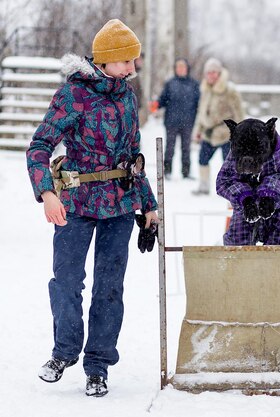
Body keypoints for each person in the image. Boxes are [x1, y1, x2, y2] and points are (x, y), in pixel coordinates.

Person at [25, 19, 158, 398]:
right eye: (125, 61)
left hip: (119, 203)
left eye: (134, 60)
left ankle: (97, 365)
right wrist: (46, 193)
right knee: (67, 281)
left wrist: (149, 206)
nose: (132, 68)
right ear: (105, 60)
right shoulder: (73, 95)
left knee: (109, 288)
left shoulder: (127, 97)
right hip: (76, 203)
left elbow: (134, 158)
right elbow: (39, 148)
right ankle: (63, 352)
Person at [191, 57, 244, 195]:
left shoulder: (230, 90)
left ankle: (231, 188)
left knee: (228, 163)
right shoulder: (205, 90)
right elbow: (201, 113)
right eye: (208, 72)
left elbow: (239, 114)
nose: (211, 75)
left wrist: (240, 134)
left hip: (226, 134)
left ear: (219, 73)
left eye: (214, 72)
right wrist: (198, 130)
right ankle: (204, 186)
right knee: (202, 159)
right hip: (208, 133)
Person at [156, 58, 200, 179]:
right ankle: (167, 171)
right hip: (171, 122)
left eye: (183, 67)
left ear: (187, 69)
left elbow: (199, 103)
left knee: (186, 148)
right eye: (178, 67)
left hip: (188, 122)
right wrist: (156, 105)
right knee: (170, 148)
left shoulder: (194, 84)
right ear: (175, 69)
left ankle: (186, 172)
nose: (180, 69)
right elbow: (163, 100)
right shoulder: (170, 83)